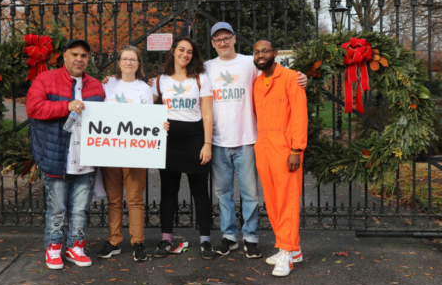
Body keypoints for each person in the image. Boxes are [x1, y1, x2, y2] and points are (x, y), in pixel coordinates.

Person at [204, 22, 307, 259]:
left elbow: (276, 76)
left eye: (226, 38)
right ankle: (229, 238)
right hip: (218, 141)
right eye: (217, 39)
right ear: (212, 43)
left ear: (233, 38)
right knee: (223, 193)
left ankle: (250, 238)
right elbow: (182, 80)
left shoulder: (248, 64)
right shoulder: (206, 67)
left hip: (248, 138)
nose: (222, 42)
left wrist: (302, 79)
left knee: (251, 193)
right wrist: (154, 84)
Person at [26, 39, 105, 270]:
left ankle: (75, 247)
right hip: (56, 157)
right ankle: (53, 248)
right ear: (65, 56)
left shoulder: (97, 86)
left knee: (80, 209)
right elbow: (33, 108)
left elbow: (112, 117)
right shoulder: (45, 79)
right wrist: (66, 106)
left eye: (84, 55)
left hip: (86, 158)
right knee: (57, 208)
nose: (79, 59)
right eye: (75, 54)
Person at [150, 36, 216, 260]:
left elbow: (207, 113)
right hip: (169, 141)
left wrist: (207, 144)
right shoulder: (159, 81)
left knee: (200, 192)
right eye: (181, 50)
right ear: (172, 51)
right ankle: (166, 239)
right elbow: (142, 110)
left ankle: (206, 242)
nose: (185, 54)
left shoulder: (200, 78)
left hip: (195, 138)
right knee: (168, 192)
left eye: (189, 51)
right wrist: (157, 122)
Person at [252, 38, 308, 277]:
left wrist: (297, 149)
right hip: (263, 146)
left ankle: (285, 251)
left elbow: (299, 115)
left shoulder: (291, 78)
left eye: (265, 50)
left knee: (287, 199)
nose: (261, 55)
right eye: (256, 52)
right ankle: (291, 247)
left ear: (275, 53)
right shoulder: (256, 82)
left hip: (285, 148)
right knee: (273, 199)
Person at [97, 45, 154, 262]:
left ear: (138, 64)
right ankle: (114, 242)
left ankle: (138, 242)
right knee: (114, 200)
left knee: (135, 199)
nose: (129, 62)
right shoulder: (107, 84)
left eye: (133, 59)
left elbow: (149, 119)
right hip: (110, 151)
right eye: (125, 59)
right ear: (118, 62)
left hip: (135, 153)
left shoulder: (144, 89)